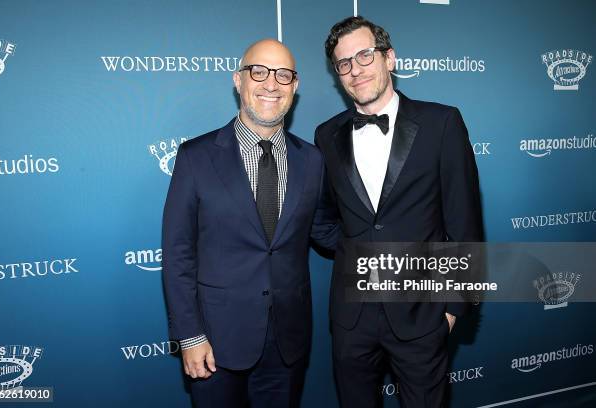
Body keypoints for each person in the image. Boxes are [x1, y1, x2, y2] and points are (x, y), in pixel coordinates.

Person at [315, 16, 483, 408]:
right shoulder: (327, 135)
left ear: (389, 58)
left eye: (365, 55)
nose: (355, 70)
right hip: (351, 319)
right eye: (344, 63)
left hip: (422, 314)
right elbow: (321, 217)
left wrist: (453, 307)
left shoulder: (442, 123)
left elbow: (464, 221)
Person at [162, 39, 337, 408]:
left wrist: (401, 246)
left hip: (288, 342)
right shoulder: (196, 156)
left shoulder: (312, 160)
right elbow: (178, 253)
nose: (271, 84)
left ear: (296, 86)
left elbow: (325, 231)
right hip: (215, 341)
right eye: (258, 72)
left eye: (283, 75)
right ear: (238, 80)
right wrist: (190, 336)